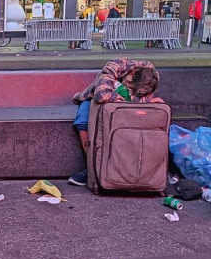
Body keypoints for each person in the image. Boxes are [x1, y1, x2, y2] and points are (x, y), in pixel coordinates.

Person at [68, 58, 162, 186]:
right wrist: (127, 96)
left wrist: (127, 96)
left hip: (125, 105)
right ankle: (92, 169)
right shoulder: (114, 66)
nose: (129, 90)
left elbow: (143, 98)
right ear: (131, 74)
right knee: (82, 121)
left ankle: (131, 170)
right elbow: (101, 95)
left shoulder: (152, 76)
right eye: (129, 87)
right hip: (92, 98)